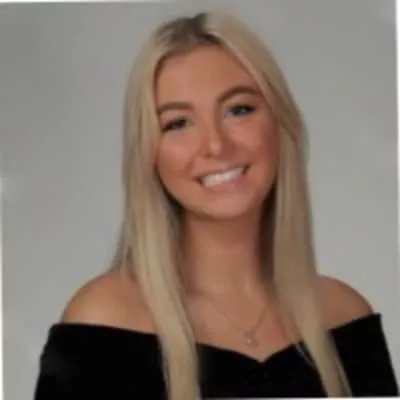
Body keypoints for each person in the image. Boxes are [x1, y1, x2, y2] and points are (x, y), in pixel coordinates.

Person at [34, 11, 398, 399]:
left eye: (238, 110)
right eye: (177, 123)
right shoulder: (102, 324)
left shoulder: (344, 316)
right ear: (148, 154)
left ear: (279, 125)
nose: (216, 145)